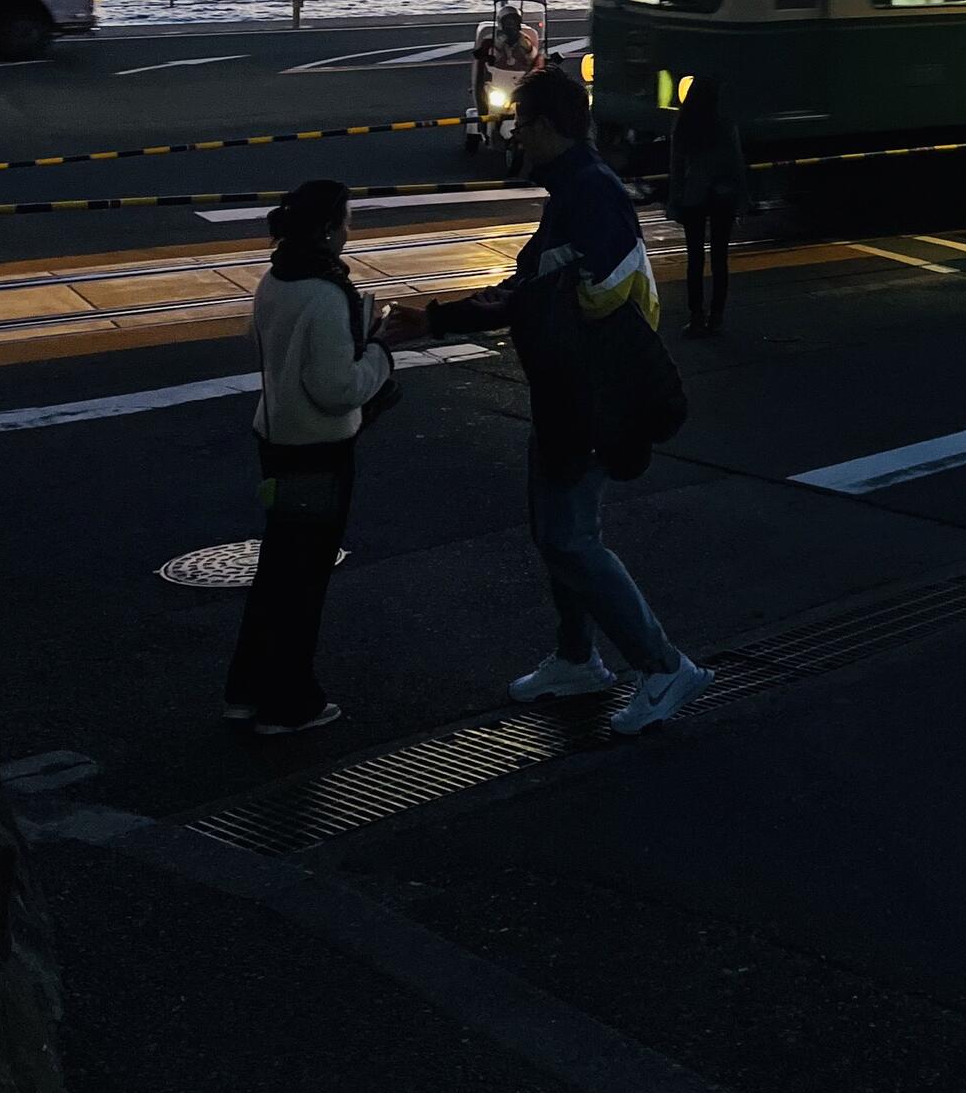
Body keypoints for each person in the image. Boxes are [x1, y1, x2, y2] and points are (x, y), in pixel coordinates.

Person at [391, 64, 711, 734]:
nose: (514, 137)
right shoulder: (572, 191)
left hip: (591, 397)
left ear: (549, 126)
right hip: (567, 392)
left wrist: (482, 311)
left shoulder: (592, 195)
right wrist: (442, 319)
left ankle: (663, 665)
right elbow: (533, 284)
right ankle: (576, 658)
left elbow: (584, 292)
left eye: (521, 124)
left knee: (570, 537)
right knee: (558, 534)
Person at [224, 178, 396, 737]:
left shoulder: (275, 279)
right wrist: (380, 355)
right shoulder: (325, 295)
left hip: (274, 438)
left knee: (277, 573)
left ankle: (247, 690)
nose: (351, 231)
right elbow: (336, 389)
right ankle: (288, 701)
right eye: (347, 220)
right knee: (303, 580)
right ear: (327, 230)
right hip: (316, 450)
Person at [667, 73, 749, 338]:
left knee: (695, 258)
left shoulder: (684, 123)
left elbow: (676, 168)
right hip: (722, 196)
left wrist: (675, 200)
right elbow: (736, 163)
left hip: (693, 196)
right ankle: (717, 316)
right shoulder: (725, 123)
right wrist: (742, 198)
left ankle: (696, 316)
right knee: (719, 258)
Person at [473, 1, 544, 125]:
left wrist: (526, 48)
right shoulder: (491, 41)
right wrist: (490, 52)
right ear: (502, 23)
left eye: (514, 22)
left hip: (520, 81)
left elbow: (534, 59)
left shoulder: (525, 41)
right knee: (484, 93)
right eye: (508, 22)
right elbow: (483, 57)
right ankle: (484, 121)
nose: (511, 26)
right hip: (497, 81)